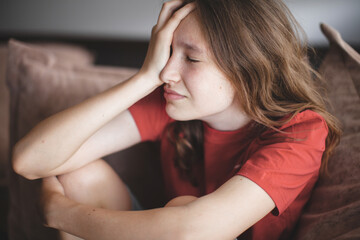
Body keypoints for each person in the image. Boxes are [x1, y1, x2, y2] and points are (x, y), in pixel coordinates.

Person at [12, 0, 341, 239]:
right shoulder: (170, 102)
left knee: (184, 209)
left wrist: (62, 214)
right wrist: (143, 79)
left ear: (247, 67)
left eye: (191, 58)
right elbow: (29, 160)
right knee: (77, 172)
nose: (167, 73)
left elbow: (193, 231)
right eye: (168, 52)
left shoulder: (301, 130)